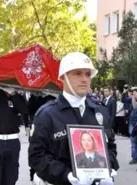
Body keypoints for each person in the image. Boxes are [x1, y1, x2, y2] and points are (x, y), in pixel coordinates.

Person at [28, 52, 119, 185]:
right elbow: (36, 157)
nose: (84, 79)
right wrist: (66, 175)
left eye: (88, 74)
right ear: (63, 77)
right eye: (77, 73)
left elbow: (110, 147)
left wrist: (107, 168)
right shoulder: (47, 114)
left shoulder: (100, 111)